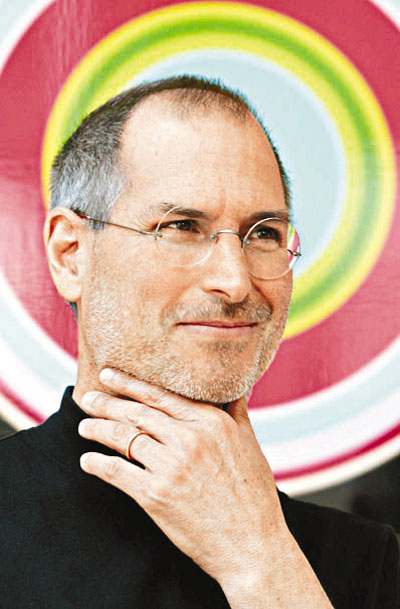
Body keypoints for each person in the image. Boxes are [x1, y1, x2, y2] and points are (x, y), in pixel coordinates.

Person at [0, 76, 398, 609]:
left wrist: (261, 563)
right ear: (71, 254)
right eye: (182, 226)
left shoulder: (363, 563)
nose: (235, 281)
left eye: (264, 233)